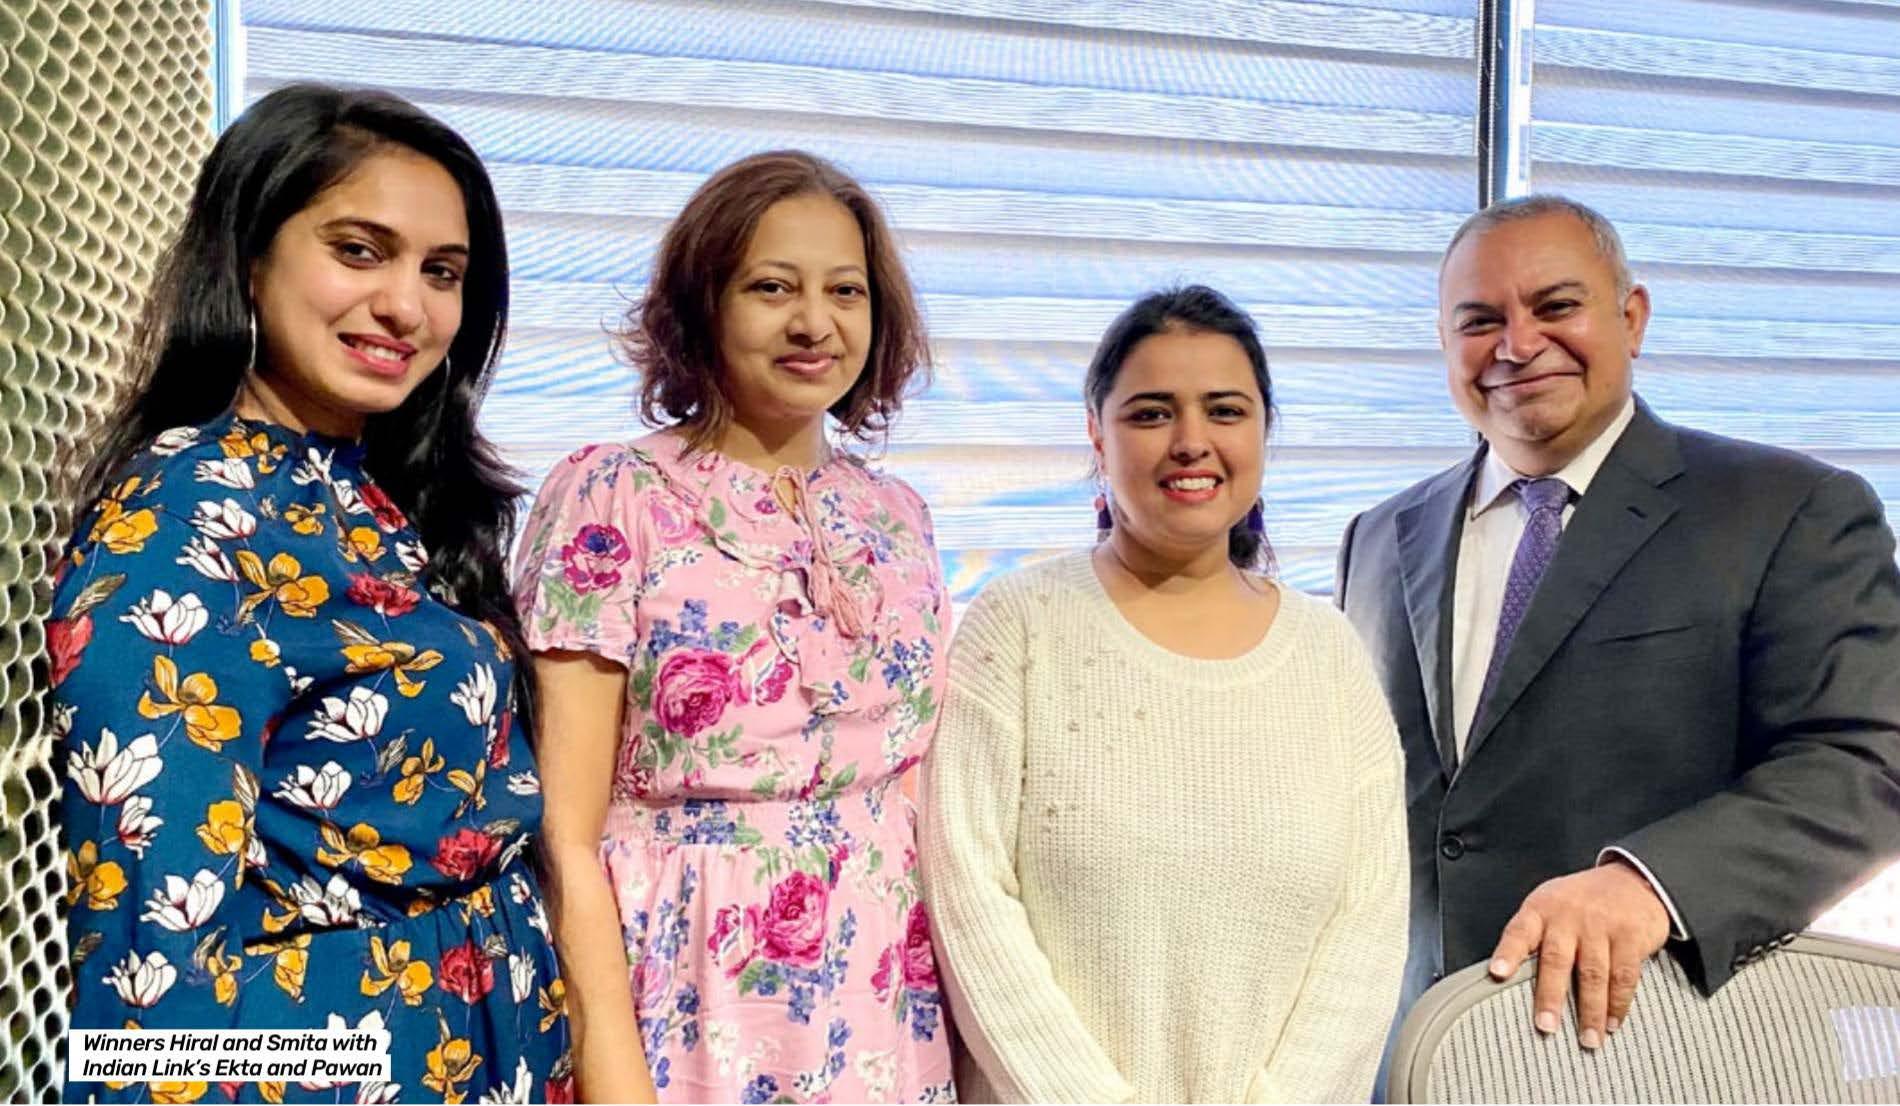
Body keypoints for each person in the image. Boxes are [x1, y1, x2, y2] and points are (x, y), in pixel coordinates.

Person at [50, 83, 572, 1102]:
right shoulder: (190, 514)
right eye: (360, 251)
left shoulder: (380, 493)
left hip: (491, 1033)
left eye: (442, 271)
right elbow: (153, 930)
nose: (407, 307)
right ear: (250, 253)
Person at [1336, 194, 1900, 1056]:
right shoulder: (1377, 539)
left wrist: (1651, 882)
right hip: (1415, 1050)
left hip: (1658, 1046)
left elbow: (1867, 759)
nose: (1518, 345)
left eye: (1555, 306)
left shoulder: (1788, 510)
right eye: (1480, 321)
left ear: (1631, 318)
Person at [514, 150, 952, 1103]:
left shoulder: (899, 515)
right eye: (771, 287)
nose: (814, 322)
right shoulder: (612, 493)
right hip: (687, 992)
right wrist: (614, 1078)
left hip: (887, 1004)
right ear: (702, 304)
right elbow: (562, 833)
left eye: (845, 290)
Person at [922, 285, 1408, 1103]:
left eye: (1225, 411)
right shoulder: (1019, 626)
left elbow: (1370, 923)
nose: (1191, 442)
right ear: (1096, 434)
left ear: (1263, 430)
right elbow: (967, 893)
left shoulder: (1329, 653)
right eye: (1151, 414)